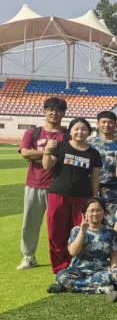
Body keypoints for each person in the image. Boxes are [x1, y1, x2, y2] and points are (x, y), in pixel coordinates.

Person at [40, 117, 101, 274]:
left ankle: (77, 265)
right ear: (70, 131)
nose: (80, 132)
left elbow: (95, 178)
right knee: (56, 231)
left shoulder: (93, 153)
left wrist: (94, 198)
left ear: (89, 132)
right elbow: (47, 166)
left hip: (83, 197)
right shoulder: (60, 147)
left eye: (84, 129)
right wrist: (47, 150)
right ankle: (59, 267)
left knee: (80, 231)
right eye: (76, 129)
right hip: (58, 195)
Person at [19, 96, 68, 267]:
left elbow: (65, 157)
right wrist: (49, 152)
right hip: (34, 183)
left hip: (58, 185)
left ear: (63, 113)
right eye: (51, 110)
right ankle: (28, 256)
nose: (54, 113)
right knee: (30, 223)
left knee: (58, 224)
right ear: (45, 111)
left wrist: (38, 154)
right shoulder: (33, 133)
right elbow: (25, 152)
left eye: (59, 110)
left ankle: (60, 257)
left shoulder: (66, 135)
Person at [50, 199, 117, 294]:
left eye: (99, 210)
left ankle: (71, 286)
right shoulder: (76, 230)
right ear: (85, 213)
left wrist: (113, 266)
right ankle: (97, 289)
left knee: (109, 278)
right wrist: (82, 230)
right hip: (77, 271)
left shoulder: (111, 232)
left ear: (104, 213)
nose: (95, 214)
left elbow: (114, 254)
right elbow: (73, 252)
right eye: (92, 211)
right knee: (62, 276)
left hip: (100, 271)